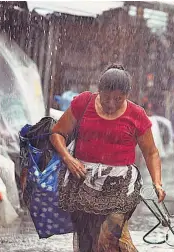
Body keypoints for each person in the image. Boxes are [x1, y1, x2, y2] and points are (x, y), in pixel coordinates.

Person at [50, 64, 165, 252]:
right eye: (106, 98)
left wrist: (157, 183)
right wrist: (68, 158)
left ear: (127, 95)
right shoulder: (83, 103)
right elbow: (57, 133)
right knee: (87, 241)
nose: (111, 104)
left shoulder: (137, 115)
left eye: (118, 99)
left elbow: (151, 152)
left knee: (109, 238)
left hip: (120, 186)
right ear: (99, 91)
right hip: (83, 183)